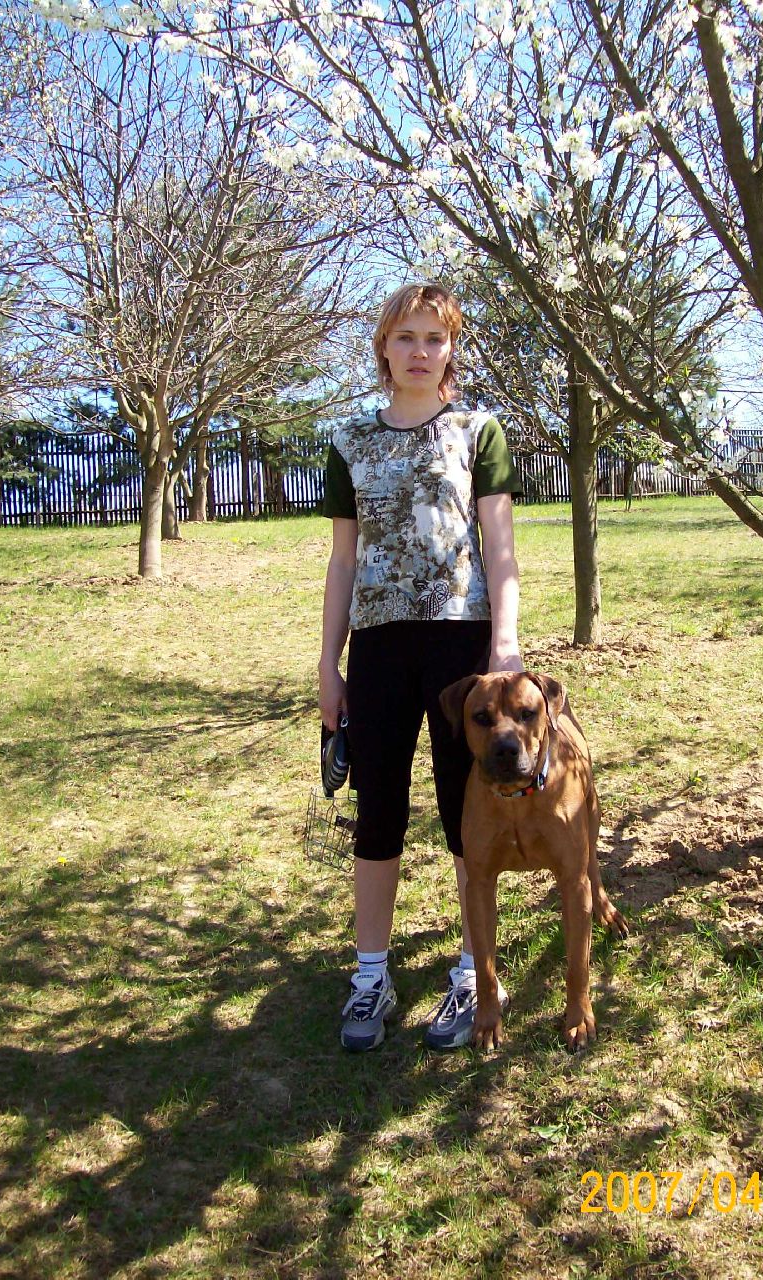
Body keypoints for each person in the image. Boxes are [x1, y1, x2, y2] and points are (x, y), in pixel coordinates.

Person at [318, 281, 523, 1052]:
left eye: (434, 338)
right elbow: (343, 562)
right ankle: (370, 976)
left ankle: (475, 972)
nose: (419, 351)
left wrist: (505, 647)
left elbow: (500, 548)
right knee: (378, 812)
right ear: (383, 346)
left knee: (468, 814)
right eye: (405, 336)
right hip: (378, 647)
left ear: (450, 349)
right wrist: (329, 664)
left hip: (460, 647)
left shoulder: (478, 431)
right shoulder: (349, 442)